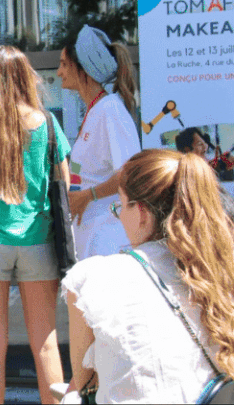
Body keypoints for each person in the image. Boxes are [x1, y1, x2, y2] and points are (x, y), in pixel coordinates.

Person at [63, 148, 234, 402]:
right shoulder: (221, 272)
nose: (119, 215)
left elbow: (85, 383)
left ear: (141, 213)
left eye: (119, 206)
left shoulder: (92, 279)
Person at [0, 46, 69, 405]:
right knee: (46, 344)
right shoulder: (48, 123)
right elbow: (65, 185)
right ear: (25, 77)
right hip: (38, 240)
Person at [57, 24, 140, 259]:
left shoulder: (111, 109)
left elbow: (130, 173)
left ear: (83, 67)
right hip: (92, 237)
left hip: (110, 239)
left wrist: (87, 196)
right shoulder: (96, 111)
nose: (59, 72)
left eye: (64, 64)